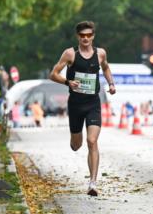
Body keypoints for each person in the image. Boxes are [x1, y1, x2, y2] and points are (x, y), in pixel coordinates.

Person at [49, 21, 116, 196]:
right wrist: (67, 82)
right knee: (76, 144)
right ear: (78, 36)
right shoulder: (70, 53)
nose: (85, 38)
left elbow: (106, 68)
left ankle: (93, 183)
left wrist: (111, 83)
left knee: (92, 141)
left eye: (89, 35)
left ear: (93, 36)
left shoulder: (100, 53)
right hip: (76, 105)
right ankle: (73, 141)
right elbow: (53, 74)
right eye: (82, 36)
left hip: (93, 103)